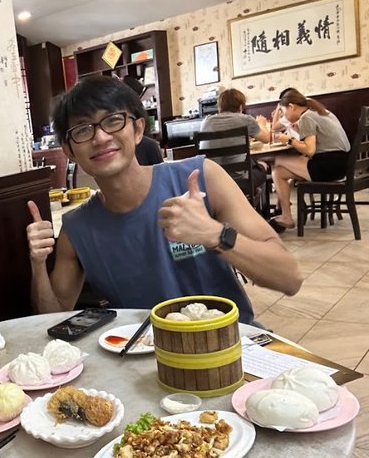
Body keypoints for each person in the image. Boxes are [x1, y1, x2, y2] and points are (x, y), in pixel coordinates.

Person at [25, 76, 302, 325]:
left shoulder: (201, 177)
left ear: (137, 129)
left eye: (112, 120)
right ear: (68, 150)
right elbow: (53, 316)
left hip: (230, 344)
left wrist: (214, 234)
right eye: (83, 130)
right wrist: (38, 263)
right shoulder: (77, 229)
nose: (100, 137)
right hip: (144, 355)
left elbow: (289, 279)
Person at [268, 88, 351, 231]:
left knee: (277, 160)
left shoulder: (306, 117)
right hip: (342, 163)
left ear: (291, 107)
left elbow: (309, 150)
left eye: (283, 111)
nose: (284, 116)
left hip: (330, 166)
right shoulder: (321, 111)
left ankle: (282, 211)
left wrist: (289, 140)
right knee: (278, 172)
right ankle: (285, 215)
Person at [198, 88, 271, 198]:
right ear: (241, 107)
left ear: (220, 107)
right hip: (239, 182)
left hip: (213, 182)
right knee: (263, 165)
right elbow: (266, 139)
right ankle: (251, 202)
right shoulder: (245, 119)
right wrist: (261, 124)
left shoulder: (206, 122)